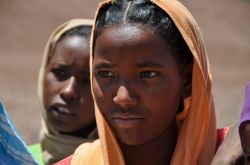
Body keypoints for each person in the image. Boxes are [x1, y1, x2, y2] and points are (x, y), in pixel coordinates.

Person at [61, 0, 218, 164]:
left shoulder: (234, 154)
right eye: (106, 73)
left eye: (147, 74)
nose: (123, 97)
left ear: (187, 81)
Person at [29, 19, 97, 165]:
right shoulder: (15, 157)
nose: (68, 91)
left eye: (87, 81)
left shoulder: (118, 160)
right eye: (60, 73)